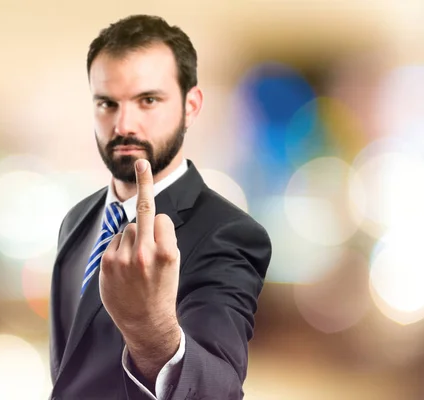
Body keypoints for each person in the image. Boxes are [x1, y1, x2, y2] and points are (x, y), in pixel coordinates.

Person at [48, 14, 272, 400]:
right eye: (107, 103)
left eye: (147, 100)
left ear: (191, 106)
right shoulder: (77, 220)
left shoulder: (229, 233)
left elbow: (219, 389)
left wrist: (152, 332)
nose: (123, 124)